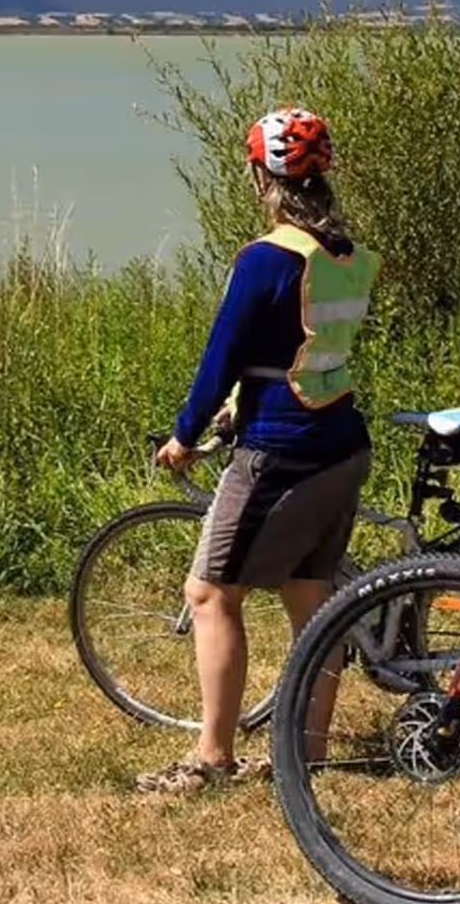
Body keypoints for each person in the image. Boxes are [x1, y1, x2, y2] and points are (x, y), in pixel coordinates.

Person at [140, 106, 380, 794]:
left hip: (279, 451)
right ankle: (309, 751)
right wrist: (240, 400)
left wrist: (185, 437)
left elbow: (225, 354)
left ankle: (212, 756)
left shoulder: (267, 258)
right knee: (313, 600)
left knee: (211, 593)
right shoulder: (345, 255)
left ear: (259, 176)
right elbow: (301, 349)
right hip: (339, 442)